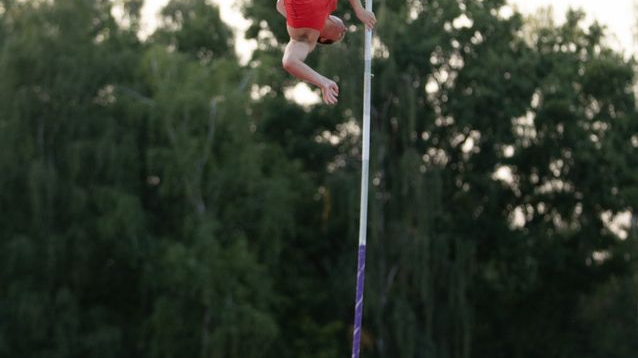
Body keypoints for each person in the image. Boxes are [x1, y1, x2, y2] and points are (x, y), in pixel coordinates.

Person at [276, 0, 376, 105]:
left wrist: (323, 82)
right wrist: (360, 10)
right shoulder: (330, 5)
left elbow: (289, 62)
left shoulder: (305, 39)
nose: (345, 29)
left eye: (340, 36)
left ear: (323, 39)